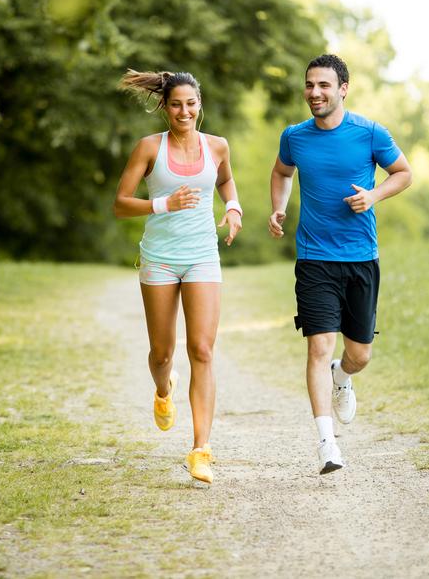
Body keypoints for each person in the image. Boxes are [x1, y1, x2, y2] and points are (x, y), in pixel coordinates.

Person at [269, 54, 412, 474]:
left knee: (360, 355)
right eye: (310, 85)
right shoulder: (295, 137)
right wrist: (278, 207)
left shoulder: (369, 133)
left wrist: (373, 196)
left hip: (360, 258)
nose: (315, 93)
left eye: (324, 86)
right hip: (314, 259)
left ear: (343, 89)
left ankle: (342, 377)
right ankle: (326, 444)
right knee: (318, 345)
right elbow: (281, 173)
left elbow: (403, 173)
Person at [114, 69, 243, 484]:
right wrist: (163, 204)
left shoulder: (218, 146)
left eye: (191, 104)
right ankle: (164, 389)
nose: (184, 111)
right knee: (162, 354)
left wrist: (234, 206)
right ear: (165, 107)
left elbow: (224, 180)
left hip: (203, 255)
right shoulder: (149, 148)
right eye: (175, 104)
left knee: (202, 350)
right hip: (160, 259)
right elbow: (120, 203)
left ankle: (200, 449)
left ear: (199, 104)